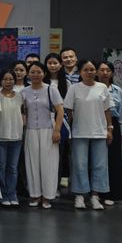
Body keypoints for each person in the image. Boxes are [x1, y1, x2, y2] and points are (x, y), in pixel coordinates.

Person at [63, 59, 112, 210]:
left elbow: (107, 110)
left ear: (96, 71)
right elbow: (68, 110)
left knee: (100, 165)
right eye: (85, 70)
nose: (89, 72)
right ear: (80, 72)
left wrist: (110, 129)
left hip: (99, 132)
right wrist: (71, 129)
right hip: (79, 132)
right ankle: (80, 195)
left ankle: (95, 196)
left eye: (92, 69)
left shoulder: (102, 87)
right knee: (79, 164)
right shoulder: (74, 88)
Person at [21, 61, 64, 209]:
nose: (35, 75)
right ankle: (35, 195)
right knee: (32, 164)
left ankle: (47, 196)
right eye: (32, 72)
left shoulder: (51, 89)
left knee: (49, 164)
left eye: (38, 72)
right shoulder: (24, 92)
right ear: (28, 74)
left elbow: (60, 110)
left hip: (48, 131)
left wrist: (57, 130)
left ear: (44, 74)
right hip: (31, 131)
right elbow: (23, 111)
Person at [97, 61, 122, 206]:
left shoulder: (117, 90)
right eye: (101, 70)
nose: (104, 73)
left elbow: (121, 110)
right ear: (96, 72)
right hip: (96, 124)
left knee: (113, 160)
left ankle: (112, 193)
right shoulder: (93, 88)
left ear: (112, 73)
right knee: (98, 160)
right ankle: (97, 193)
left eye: (107, 70)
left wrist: (113, 126)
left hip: (113, 125)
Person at [0, 69, 23, 206]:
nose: (8, 82)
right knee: (1, 167)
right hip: (1, 136)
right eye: (5, 79)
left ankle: (12, 194)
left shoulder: (19, 96)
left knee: (13, 167)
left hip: (17, 137)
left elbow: (24, 113)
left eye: (11, 79)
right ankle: (2, 194)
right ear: (1, 81)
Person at [45, 52, 70, 187]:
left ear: (60, 65)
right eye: (50, 63)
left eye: (55, 63)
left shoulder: (66, 83)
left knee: (59, 153)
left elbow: (68, 105)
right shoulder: (42, 81)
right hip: (45, 121)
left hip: (61, 121)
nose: (52, 66)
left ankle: (57, 182)